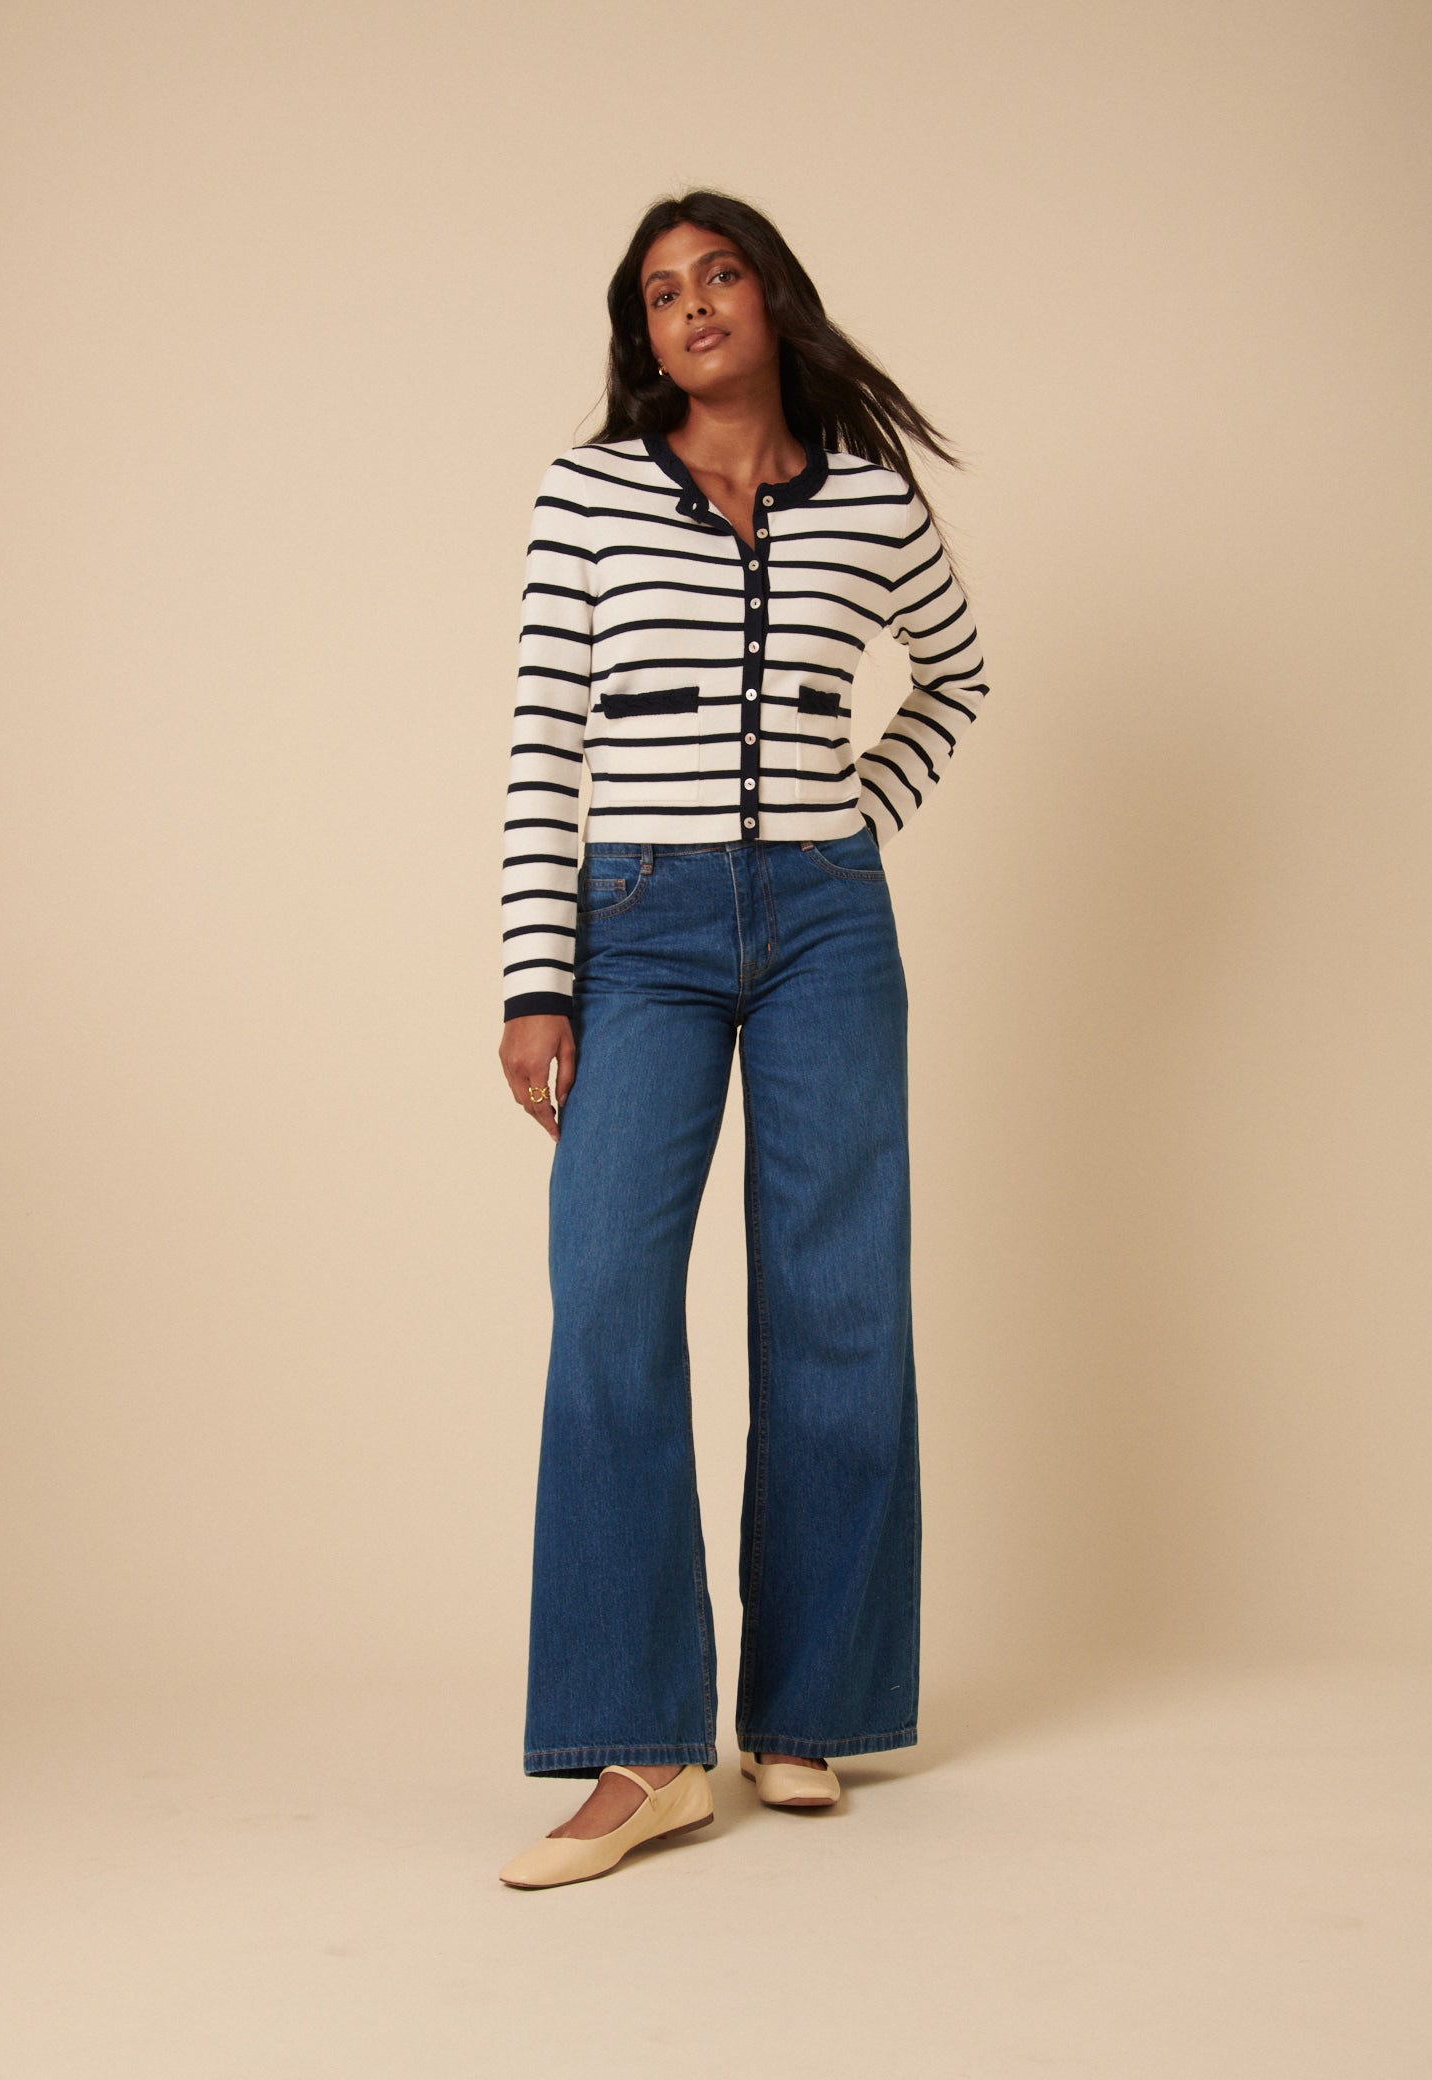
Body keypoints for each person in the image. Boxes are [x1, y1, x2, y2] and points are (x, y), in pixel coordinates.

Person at [495, 189, 991, 1889]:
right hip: (635, 924)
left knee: (838, 1299)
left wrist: (854, 816)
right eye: (661, 291)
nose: (693, 304)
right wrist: (534, 978)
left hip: (829, 927)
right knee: (609, 1298)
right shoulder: (587, 495)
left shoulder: (871, 503)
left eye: (720, 275)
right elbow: (543, 742)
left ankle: (809, 1712)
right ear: (641, 334)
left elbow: (956, 678)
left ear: (774, 299)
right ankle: (643, 1750)